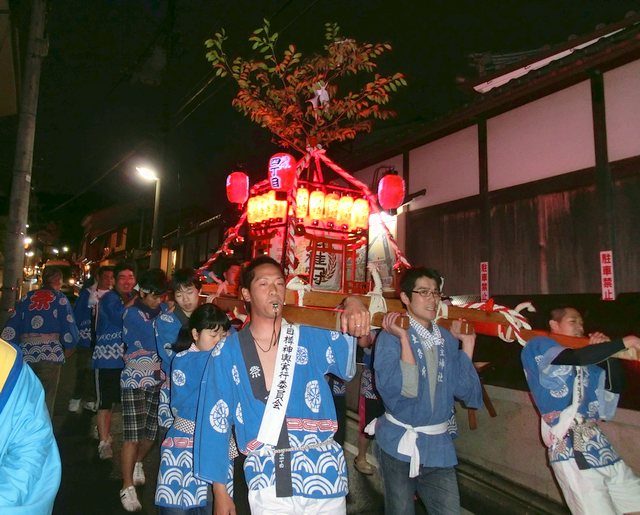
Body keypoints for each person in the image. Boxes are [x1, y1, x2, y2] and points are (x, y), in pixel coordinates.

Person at [193, 256, 370, 514]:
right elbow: (215, 423)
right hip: (268, 480)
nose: (274, 289)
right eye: (263, 284)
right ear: (246, 293)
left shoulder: (309, 335)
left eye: (279, 283)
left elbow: (353, 337)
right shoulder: (227, 352)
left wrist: (352, 303)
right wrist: (221, 492)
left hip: (323, 474)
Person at [371, 267, 482, 515]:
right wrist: (403, 339)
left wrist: (468, 344)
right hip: (399, 444)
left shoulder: (445, 338)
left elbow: (464, 391)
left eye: (435, 293)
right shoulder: (389, 337)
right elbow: (403, 391)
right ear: (405, 298)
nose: (432, 299)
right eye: (423, 292)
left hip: (438, 446)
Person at [521, 306, 640, 515]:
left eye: (582, 323)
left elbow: (614, 387)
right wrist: (623, 342)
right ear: (554, 324)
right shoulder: (539, 345)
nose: (580, 327)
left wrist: (608, 353)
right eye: (573, 321)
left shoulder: (586, 357)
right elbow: (573, 358)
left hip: (599, 446)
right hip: (570, 447)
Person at [156, 304, 231, 514]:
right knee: (179, 507)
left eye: (223, 336)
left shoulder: (217, 358)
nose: (219, 342)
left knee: (208, 505)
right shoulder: (184, 359)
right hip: (185, 440)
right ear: (195, 334)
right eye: (213, 335)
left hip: (211, 440)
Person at [119, 268, 168, 512]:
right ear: (143, 292)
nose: (159, 300)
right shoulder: (131, 313)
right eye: (155, 296)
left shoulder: (164, 310)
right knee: (132, 436)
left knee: (152, 432)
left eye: (162, 296)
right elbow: (154, 339)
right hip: (134, 380)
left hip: (159, 379)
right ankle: (127, 486)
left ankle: (138, 461)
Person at [1, 266, 79, 416]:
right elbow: (68, 324)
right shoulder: (60, 298)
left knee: (27, 394)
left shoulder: (27, 297)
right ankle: (41, 432)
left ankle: (24, 428)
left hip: (26, 353)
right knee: (46, 396)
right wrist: (70, 345)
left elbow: (13, 324)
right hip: (50, 353)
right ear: (58, 280)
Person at [0, 337, 61, 514]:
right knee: (46, 400)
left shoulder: (5, 362)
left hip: (28, 363)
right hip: (44, 357)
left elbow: (31, 442)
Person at [93, 262, 137, 460]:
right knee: (105, 402)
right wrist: (137, 300)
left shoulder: (128, 298)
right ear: (114, 281)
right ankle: (103, 441)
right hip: (107, 359)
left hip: (125, 360)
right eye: (122, 277)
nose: (127, 281)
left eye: (131, 277)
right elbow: (120, 317)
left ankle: (106, 435)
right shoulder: (110, 298)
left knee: (117, 402)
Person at [69, 265, 114, 412]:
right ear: (98, 277)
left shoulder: (114, 296)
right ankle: (76, 398)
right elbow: (77, 315)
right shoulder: (87, 294)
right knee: (84, 370)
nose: (108, 280)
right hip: (87, 339)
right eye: (106, 277)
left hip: (106, 342)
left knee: (98, 373)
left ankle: (91, 398)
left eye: (111, 277)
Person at [354, 330, 384, 475]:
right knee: (368, 423)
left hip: (396, 380)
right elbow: (363, 342)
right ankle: (361, 457)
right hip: (372, 381)